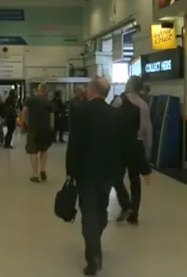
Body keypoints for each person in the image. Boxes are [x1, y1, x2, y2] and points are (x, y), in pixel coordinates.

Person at [65, 77, 124, 276]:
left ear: (92, 90)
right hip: (108, 171)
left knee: (88, 211)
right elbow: (123, 145)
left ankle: (93, 254)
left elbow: (74, 143)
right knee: (101, 208)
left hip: (85, 171)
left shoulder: (81, 112)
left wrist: (70, 170)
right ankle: (95, 239)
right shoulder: (115, 115)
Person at [111, 76, 153, 225]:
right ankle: (134, 214)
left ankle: (126, 204)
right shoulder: (144, 105)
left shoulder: (119, 101)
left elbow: (110, 122)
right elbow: (147, 130)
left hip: (120, 145)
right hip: (136, 146)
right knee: (135, 180)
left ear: (128, 85)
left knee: (116, 177)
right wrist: (147, 151)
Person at [21, 83, 54, 183]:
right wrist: (51, 128)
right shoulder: (48, 102)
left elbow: (24, 111)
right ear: (45, 91)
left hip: (33, 129)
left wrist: (24, 123)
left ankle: (35, 174)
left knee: (33, 152)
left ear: (38, 90)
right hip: (45, 129)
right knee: (44, 150)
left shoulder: (30, 99)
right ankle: (43, 170)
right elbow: (52, 116)